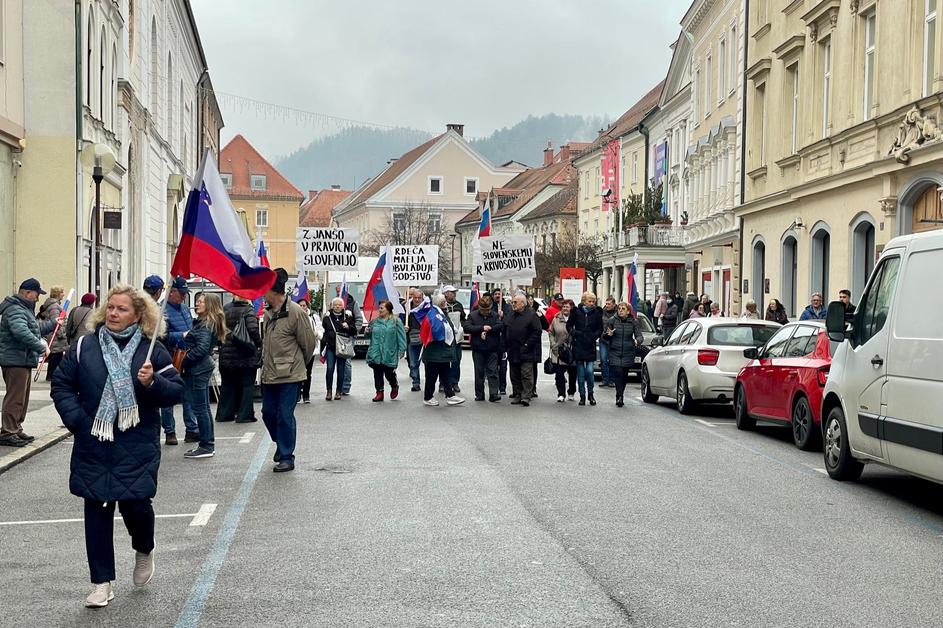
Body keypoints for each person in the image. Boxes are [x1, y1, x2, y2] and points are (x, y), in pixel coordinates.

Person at [50, 284, 183, 608]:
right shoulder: (85, 346)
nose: (113, 313)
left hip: (136, 443)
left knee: (136, 507)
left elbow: (176, 392)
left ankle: (144, 548)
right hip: (93, 441)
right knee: (96, 510)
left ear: (139, 315)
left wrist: (152, 383)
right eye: (110, 307)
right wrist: (80, 422)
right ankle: (101, 583)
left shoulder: (153, 351)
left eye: (122, 309)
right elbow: (62, 385)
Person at [262, 269, 317, 472]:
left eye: (265, 290)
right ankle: (281, 441)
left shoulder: (295, 312)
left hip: (291, 374)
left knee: (285, 415)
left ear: (274, 292)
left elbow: (308, 343)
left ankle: (286, 456)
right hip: (270, 373)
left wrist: (297, 364)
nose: (262, 294)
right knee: (268, 413)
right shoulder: (268, 313)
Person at [0, 278, 56, 447]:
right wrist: (39, 346)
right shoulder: (15, 309)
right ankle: (8, 431)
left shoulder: (22, 309)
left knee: (21, 397)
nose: (38, 298)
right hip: (15, 359)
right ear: (27, 293)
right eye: (37, 294)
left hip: (21, 359)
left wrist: (53, 324)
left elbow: (33, 329)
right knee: (15, 398)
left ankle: (15, 428)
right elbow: (21, 331)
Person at [181, 293, 226, 459]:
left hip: (197, 369)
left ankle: (206, 445)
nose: (197, 303)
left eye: (201, 301)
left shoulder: (205, 324)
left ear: (209, 305)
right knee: (203, 407)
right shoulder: (205, 323)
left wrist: (184, 360)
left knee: (200, 408)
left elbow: (201, 348)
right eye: (197, 300)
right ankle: (207, 444)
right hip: (202, 368)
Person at [159, 277, 196, 446]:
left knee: (189, 394)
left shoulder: (185, 309)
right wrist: (181, 335)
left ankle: (191, 429)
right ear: (171, 292)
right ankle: (169, 431)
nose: (184, 297)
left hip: (186, 356)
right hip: (170, 356)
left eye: (185, 294)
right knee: (168, 396)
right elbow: (161, 335)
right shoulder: (162, 310)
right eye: (181, 294)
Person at [216, 295, 261, 424]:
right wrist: (258, 344)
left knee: (227, 385)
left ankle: (224, 414)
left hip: (227, 354)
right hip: (245, 354)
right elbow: (253, 330)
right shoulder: (248, 310)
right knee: (247, 385)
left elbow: (218, 330)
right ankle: (244, 414)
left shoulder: (225, 309)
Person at [422, 293, 465, 406]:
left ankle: (450, 395)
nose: (446, 304)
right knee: (431, 376)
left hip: (441, 352)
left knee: (446, 374)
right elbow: (436, 331)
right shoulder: (434, 314)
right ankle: (428, 397)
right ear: (442, 303)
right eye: (445, 302)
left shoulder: (440, 313)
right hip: (435, 352)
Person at [463, 293, 504, 402]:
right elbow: (467, 327)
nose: (485, 312)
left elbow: (500, 326)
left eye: (487, 310)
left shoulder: (495, 315)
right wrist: (481, 328)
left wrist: (490, 329)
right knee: (479, 373)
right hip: (478, 349)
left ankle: (494, 394)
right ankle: (479, 394)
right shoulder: (473, 315)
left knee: (493, 372)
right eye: (483, 310)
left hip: (492, 348)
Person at [365, 300, 407, 402]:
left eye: (381, 308)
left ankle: (394, 385)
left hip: (389, 352)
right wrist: (367, 331)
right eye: (379, 308)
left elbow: (401, 336)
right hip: (376, 351)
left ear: (388, 309)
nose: (379, 310)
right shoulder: (374, 322)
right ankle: (379, 392)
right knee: (377, 372)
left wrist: (402, 349)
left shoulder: (396, 321)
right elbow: (369, 336)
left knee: (389, 372)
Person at [566, 291, 603, 406]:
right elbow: (569, 325)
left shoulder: (596, 313)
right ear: (584, 301)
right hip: (579, 344)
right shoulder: (576, 312)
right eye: (589, 301)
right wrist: (575, 333)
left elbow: (600, 328)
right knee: (581, 373)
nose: (591, 303)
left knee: (590, 371)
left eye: (593, 301)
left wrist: (594, 336)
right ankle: (582, 396)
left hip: (590, 345)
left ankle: (591, 394)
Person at [505, 294, 542, 406]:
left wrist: (527, 345)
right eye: (513, 302)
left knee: (526, 374)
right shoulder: (511, 314)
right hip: (513, 349)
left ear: (522, 303)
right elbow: (505, 327)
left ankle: (526, 396)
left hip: (526, 350)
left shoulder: (531, 315)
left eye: (515, 302)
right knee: (514, 374)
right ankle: (517, 394)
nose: (513, 304)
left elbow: (537, 331)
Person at [605, 302, 643, 408]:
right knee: (618, 373)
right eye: (619, 309)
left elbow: (639, 335)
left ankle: (620, 394)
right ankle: (619, 396)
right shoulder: (612, 320)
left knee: (624, 375)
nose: (620, 310)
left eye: (623, 309)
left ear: (628, 311)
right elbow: (605, 336)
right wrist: (609, 335)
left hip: (628, 351)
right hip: (615, 351)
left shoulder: (633, 322)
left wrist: (637, 341)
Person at [321, 297, 355, 401]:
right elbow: (323, 332)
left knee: (341, 370)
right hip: (331, 347)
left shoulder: (347, 316)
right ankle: (329, 391)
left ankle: (338, 391)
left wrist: (348, 327)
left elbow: (354, 332)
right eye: (335, 305)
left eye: (339, 305)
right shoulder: (327, 317)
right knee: (330, 369)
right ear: (332, 306)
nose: (337, 307)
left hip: (342, 347)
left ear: (343, 306)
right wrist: (323, 349)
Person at [336, 285, 363, 396]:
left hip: (349, 336)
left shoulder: (353, 303)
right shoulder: (335, 303)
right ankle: (339, 386)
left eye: (341, 291)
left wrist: (354, 330)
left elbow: (359, 319)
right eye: (338, 291)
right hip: (338, 337)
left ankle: (346, 386)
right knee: (339, 362)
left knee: (346, 361)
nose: (339, 293)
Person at [548, 299, 576, 403]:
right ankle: (561, 394)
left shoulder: (575, 318)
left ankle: (571, 392)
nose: (565, 308)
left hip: (572, 350)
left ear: (571, 308)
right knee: (559, 374)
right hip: (559, 350)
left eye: (567, 307)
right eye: (563, 306)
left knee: (573, 373)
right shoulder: (556, 318)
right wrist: (553, 343)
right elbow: (551, 332)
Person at [38, 285, 69, 380]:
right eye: (62, 292)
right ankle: (51, 376)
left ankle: (52, 375)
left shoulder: (53, 305)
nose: (64, 294)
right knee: (56, 356)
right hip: (55, 336)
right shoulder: (55, 307)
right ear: (58, 294)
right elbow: (56, 321)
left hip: (53, 335)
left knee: (55, 356)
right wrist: (62, 334)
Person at [296, 298, 323, 403]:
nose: (302, 307)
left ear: (307, 306)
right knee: (298, 373)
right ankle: (297, 395)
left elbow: (320, 329)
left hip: (310, 349)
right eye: (300, 305)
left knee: (308, 373)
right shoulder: (295, 316)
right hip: (298, 349)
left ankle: (306, 396)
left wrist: (317, 334)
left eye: (304, 305)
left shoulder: (313, 317)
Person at [442, 285, 466, 393]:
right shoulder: (441, 305)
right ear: (446, 294)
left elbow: (463, 319)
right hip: (445, 338)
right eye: (452, 292)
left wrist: (463, 328)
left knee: (456, 361)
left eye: (454, 292)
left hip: (457, 339)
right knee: (443, 362)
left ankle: (455, 382)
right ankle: (443, 383)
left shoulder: (459, 305)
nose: (454, 294)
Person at [491, 288, 512, 395]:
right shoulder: (490, 307)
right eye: (496, 294)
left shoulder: (508, 307)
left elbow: (510, 322)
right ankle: (494, 387)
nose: (498, 296)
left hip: (504, 342)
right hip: (493, 342)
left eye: (499, 294)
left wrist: (503, 316)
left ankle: (502, 386)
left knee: (503, 366)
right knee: (493, 366)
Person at [405, 288, 426, 391]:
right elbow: (401, 321)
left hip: (425, 339)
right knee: (413, 363)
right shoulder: (407, 308)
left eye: (419, 298)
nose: (417, 300)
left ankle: (429, 382)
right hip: (412, 338)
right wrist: (405, 327)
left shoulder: (427, 308)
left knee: (427, 362)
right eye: (415, 298)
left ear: (422, 298)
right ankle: (416, 383)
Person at [598, 296, 618, 388]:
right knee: (603, 359)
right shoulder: (602, 312)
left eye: (609, 304)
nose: (607, 305)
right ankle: (604, 379)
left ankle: (611, 380)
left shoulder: (618, 313)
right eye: (606, 303)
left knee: (612, 360)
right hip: (604, 339)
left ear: (614, 304)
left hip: (614, 340)